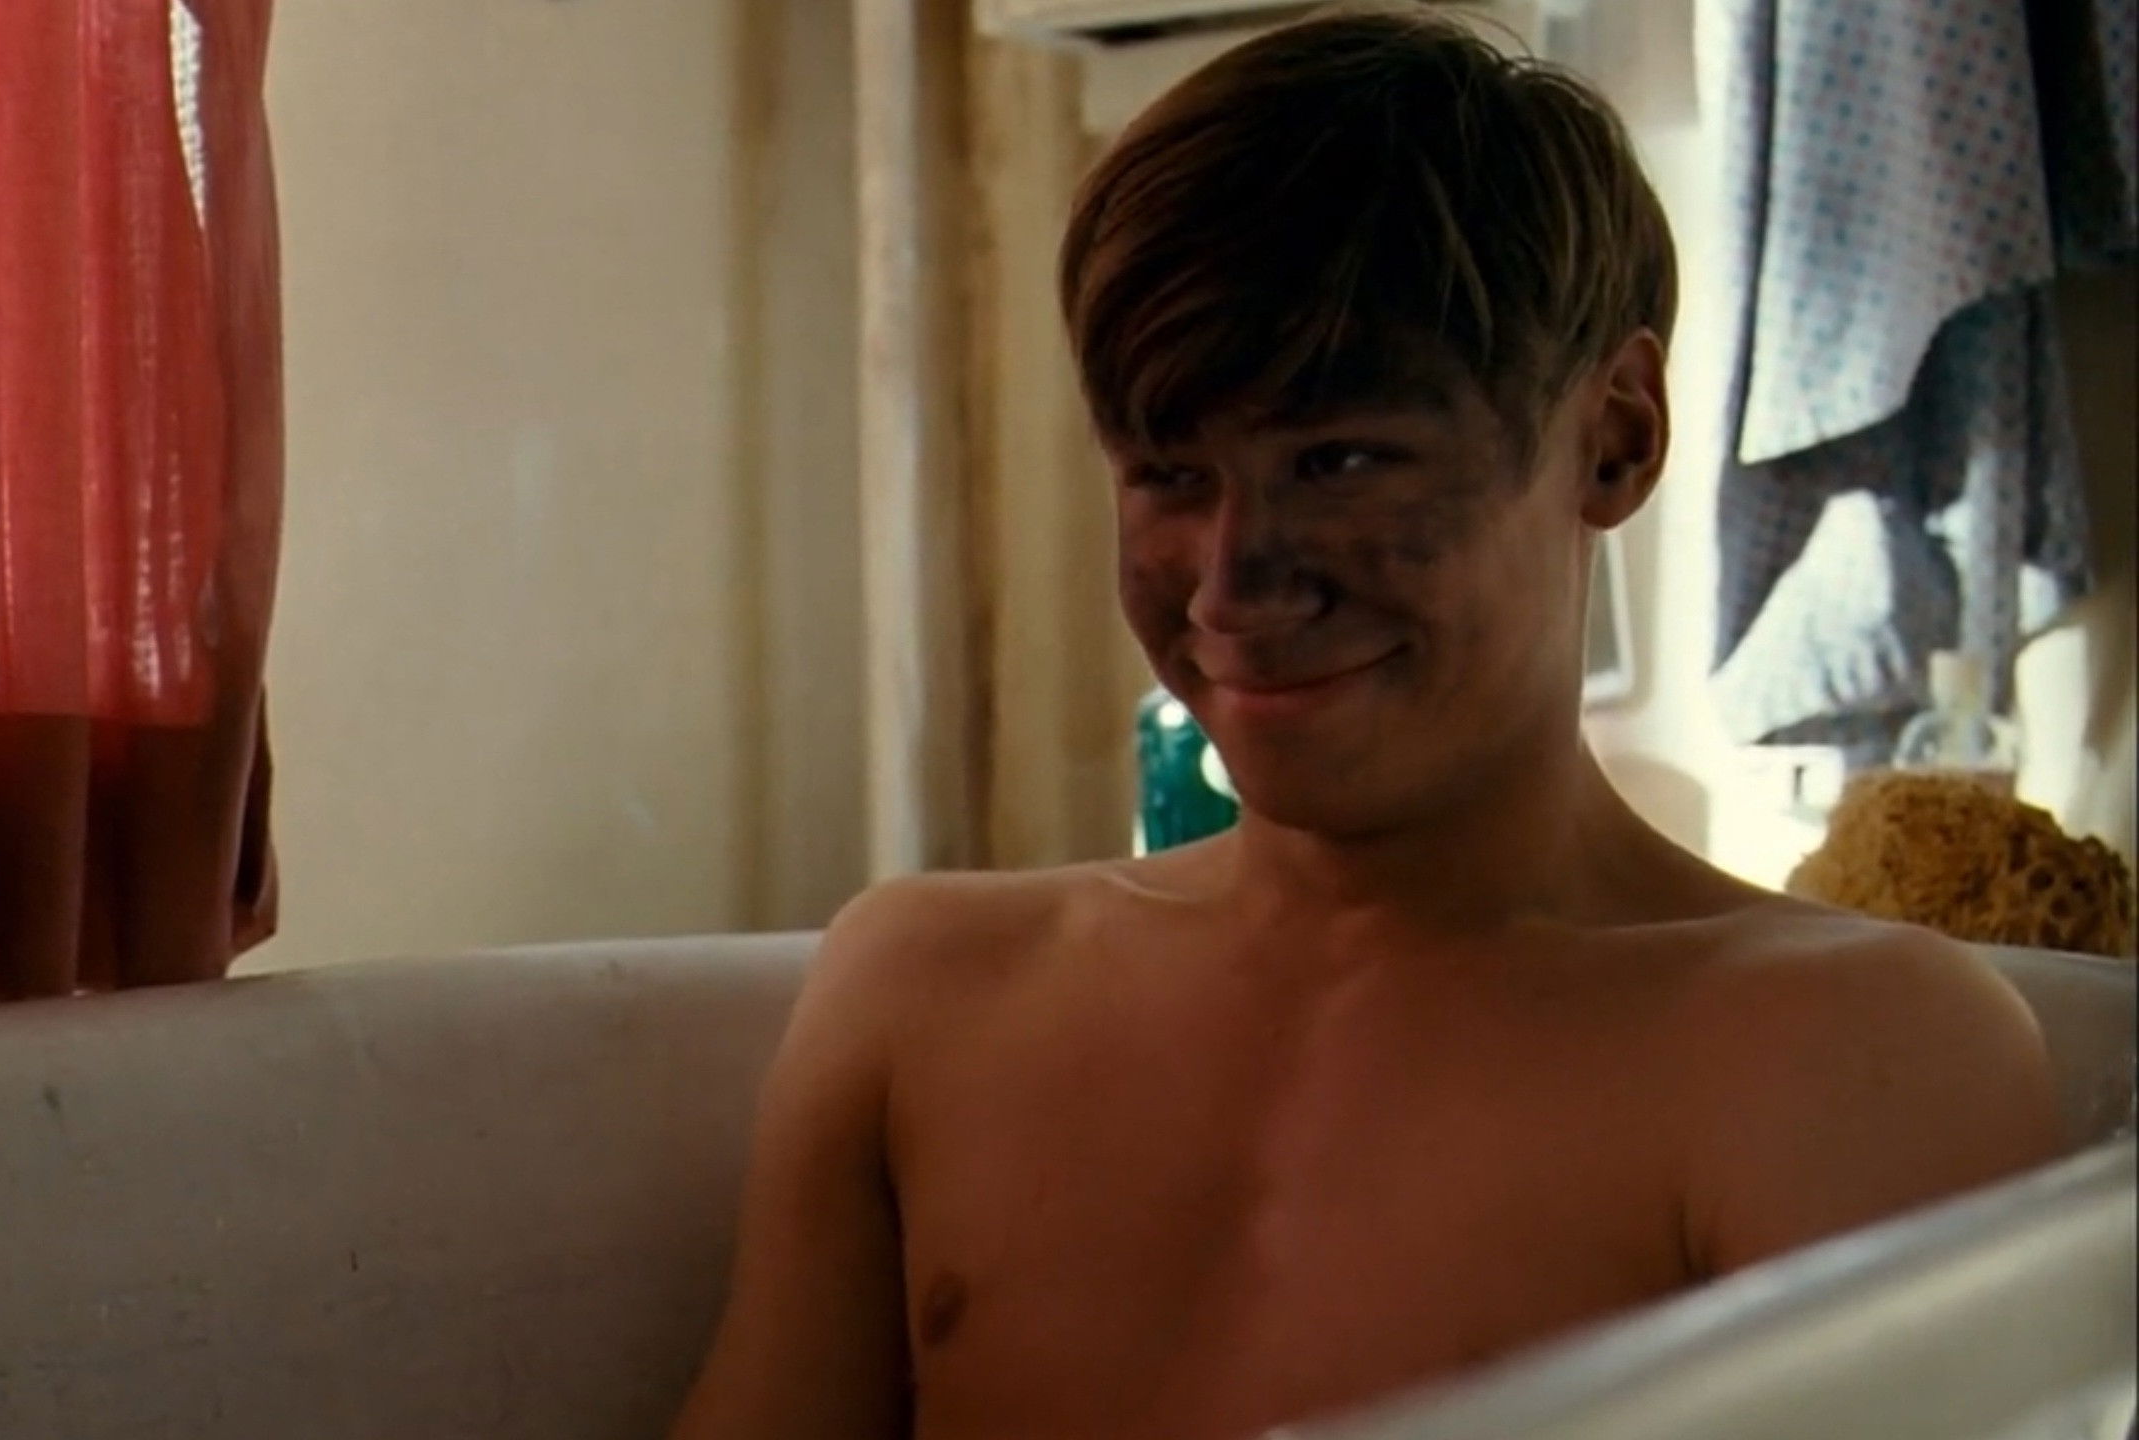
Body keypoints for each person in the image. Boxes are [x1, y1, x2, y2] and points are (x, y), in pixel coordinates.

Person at [670, 10, 2063, 1438]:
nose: (1232, 584)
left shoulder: (1839, 1059)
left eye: (1338, 460)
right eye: (1167, 474)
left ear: (1615, 436)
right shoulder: (923, 995)